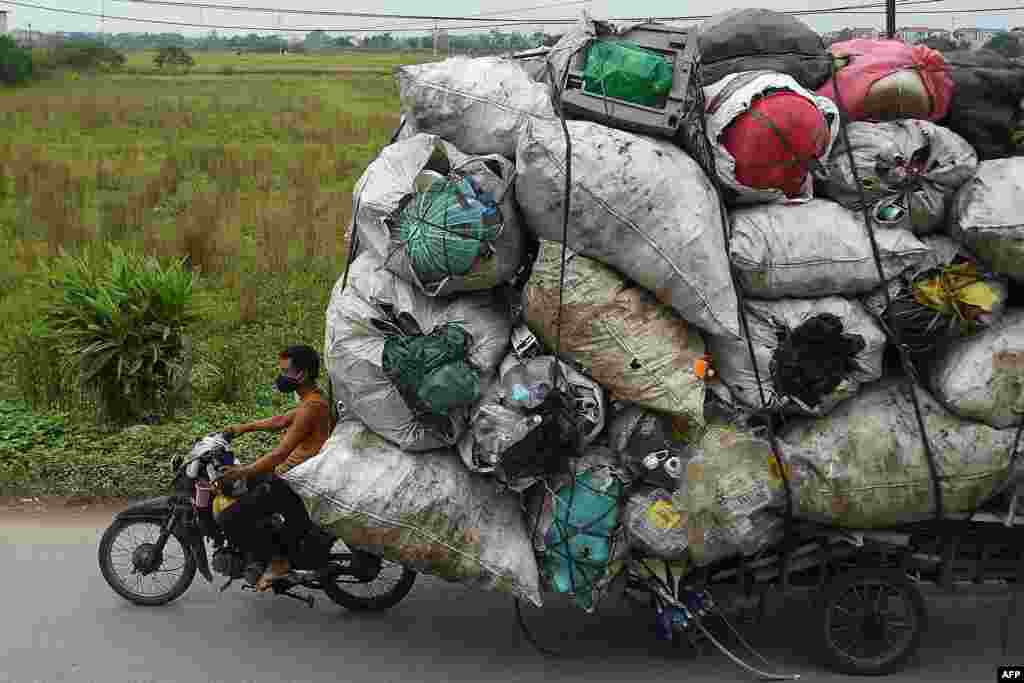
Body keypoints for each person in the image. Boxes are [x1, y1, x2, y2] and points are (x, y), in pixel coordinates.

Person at [213, 345, 332, 591]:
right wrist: (240, 428)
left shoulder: (312, 408)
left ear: (303, 374)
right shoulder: (312, 399)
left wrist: (243, 471)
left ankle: (278, 561)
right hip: (290, 475)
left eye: (286, 371)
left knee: (230, 519)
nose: (281, 376)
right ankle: (263, 551)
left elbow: (280, 453)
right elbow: (279, 421)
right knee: (246, 491)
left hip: (293, 481)